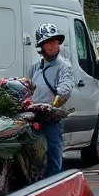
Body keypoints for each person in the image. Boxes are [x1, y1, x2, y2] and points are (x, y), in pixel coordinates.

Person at [29, 23, 75, 178]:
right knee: (34, 158)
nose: (53, 45)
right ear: (41, 46)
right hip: (33, 118)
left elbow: (65, 90)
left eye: (55, 41)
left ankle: (54, 188)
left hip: (50, 119)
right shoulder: (36, 67)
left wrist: (52, 106)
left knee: (53, 157)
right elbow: (30, 89)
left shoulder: (64, 66)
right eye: (49, 42)